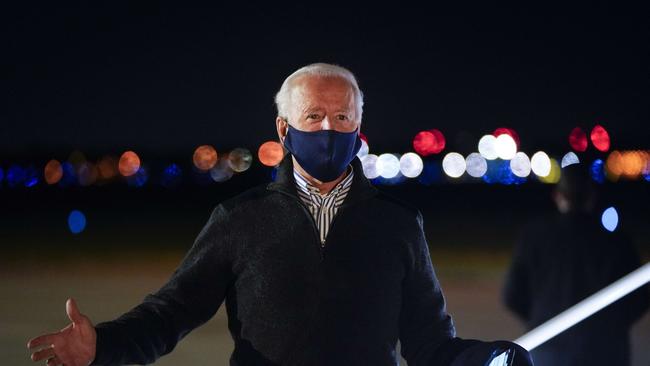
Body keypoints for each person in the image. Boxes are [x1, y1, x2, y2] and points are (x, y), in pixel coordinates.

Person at [28, 63, 532, 366]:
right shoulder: (239, 219)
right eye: (313, 116)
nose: (328, 130)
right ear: (284, 127)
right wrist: (104, 346)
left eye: (342, 117)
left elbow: (429, 344)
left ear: (359, 125)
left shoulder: (397, 224)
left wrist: (486, 358)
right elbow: (171, 312)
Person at [503, 164, 649, 366]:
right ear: (591, 196)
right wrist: (611, 326)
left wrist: (543, 321)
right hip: (606, 352)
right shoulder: (616, 241)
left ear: (557, 195)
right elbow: (639, 297)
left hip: (549, 352)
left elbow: (512, 296)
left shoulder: (534, 237)